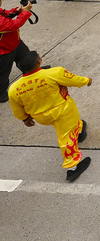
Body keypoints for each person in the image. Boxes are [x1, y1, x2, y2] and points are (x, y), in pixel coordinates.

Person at [8, 49, 92, 180]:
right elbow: (74, 80)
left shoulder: (14, 88)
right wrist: (86, 81)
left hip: (40, 116)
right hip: (62, 111)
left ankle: (79, 132)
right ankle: (72, 167)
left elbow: (17, 109)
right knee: (65, 137)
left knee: (72, 125)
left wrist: (25, 119)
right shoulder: (54, 72)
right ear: (39, 61)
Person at [0, 0, 34, 99]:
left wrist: (16, 11)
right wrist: (25, 13)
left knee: (26, 56)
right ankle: (0, 92)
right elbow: (14, 25)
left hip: (15, 42)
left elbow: (4, 13)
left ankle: (32, 71)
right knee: (3, 72)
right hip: (4, 50)